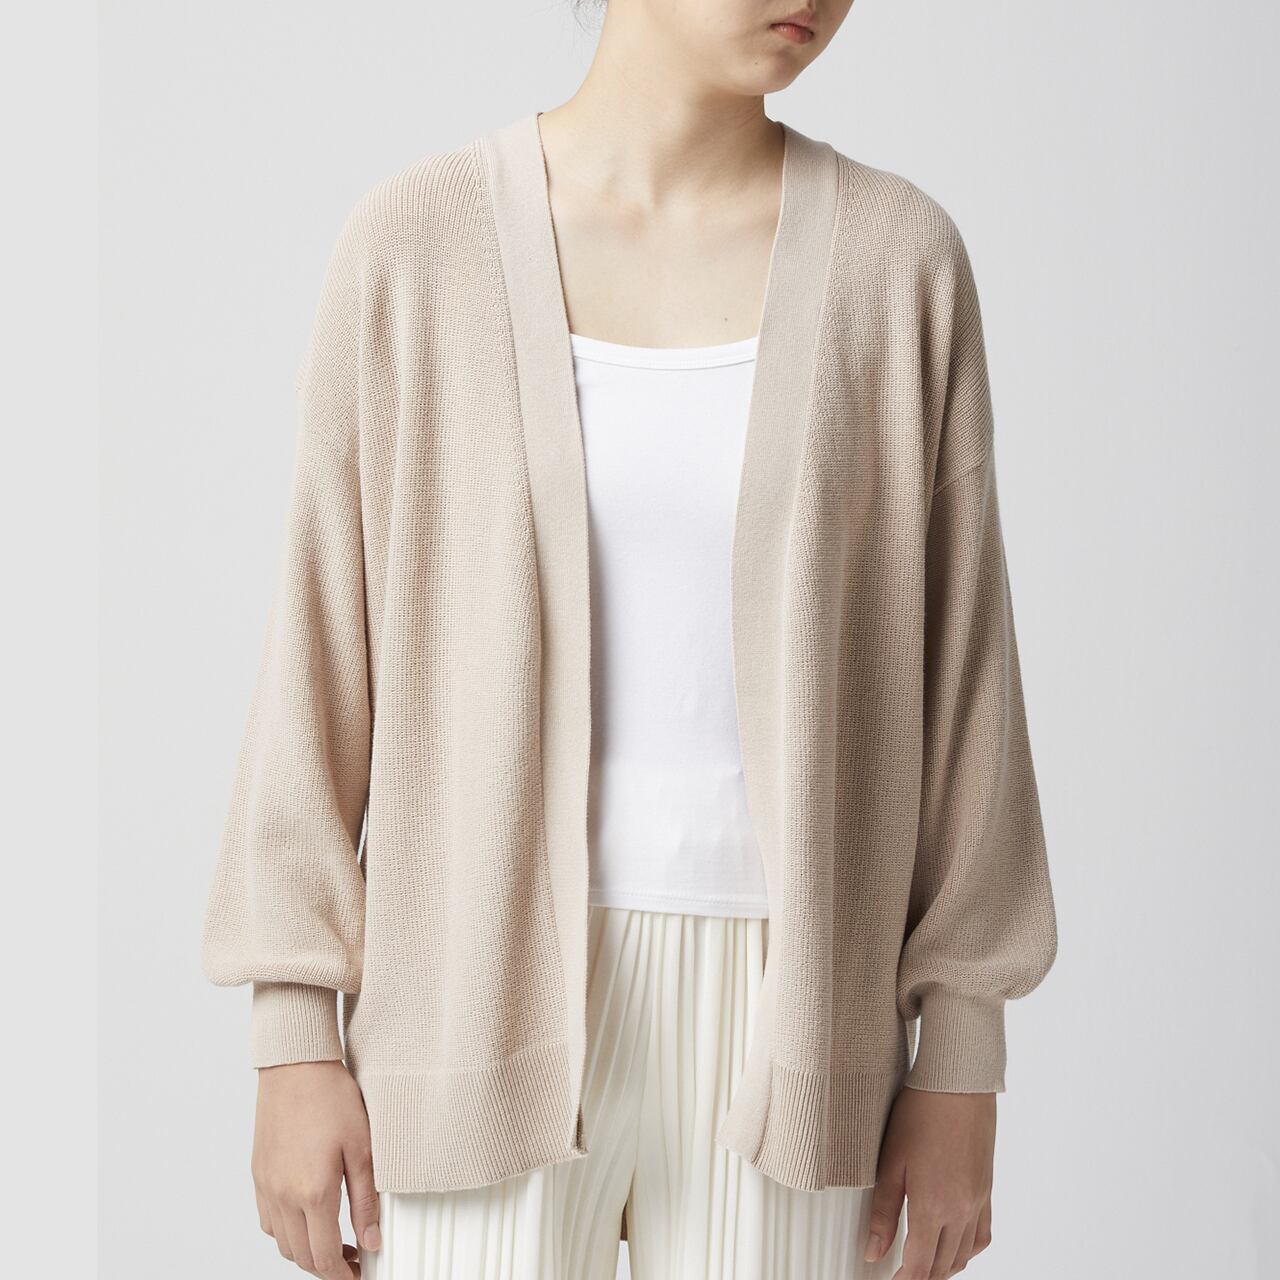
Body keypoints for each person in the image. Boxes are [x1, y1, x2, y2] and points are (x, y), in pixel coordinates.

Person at [201, 1, 1059, 1277]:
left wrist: (963, 1054)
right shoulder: (415, 245)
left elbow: (965, 682)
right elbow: (320, 652)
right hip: (469, 997)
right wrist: (292, 1032)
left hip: (795, 1019)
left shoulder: (897, 262)